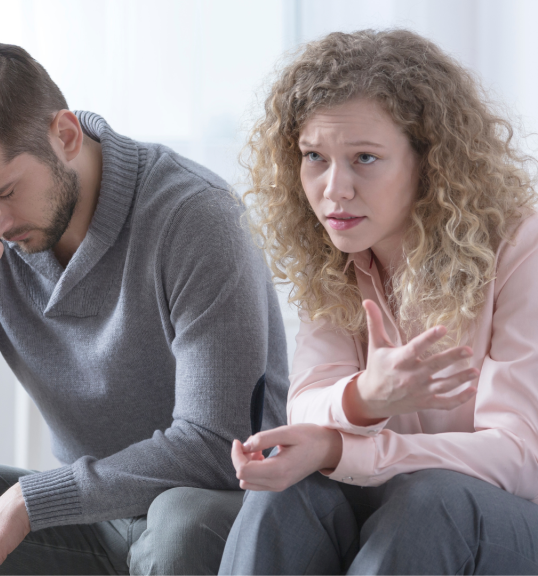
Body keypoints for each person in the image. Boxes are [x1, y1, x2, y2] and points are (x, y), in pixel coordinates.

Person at [0, 22, 289, 575]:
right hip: (92, 520)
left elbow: (218, 446)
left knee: (181, 522)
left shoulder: (195, 217)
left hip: (208, 510)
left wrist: (31, 501)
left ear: (65, 135)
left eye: (2, 194)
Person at [218, 29, 538, 574]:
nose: (334, 188)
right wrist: (366, 398)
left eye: (365, 158)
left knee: (430, 501)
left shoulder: (521, 248)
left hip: (501, 520)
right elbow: (309, 402)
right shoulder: (338, 251)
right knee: (284, 493)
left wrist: (346, 451)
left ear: (432, 163)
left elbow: (520, 458)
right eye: (314, 156)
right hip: (394, 502)